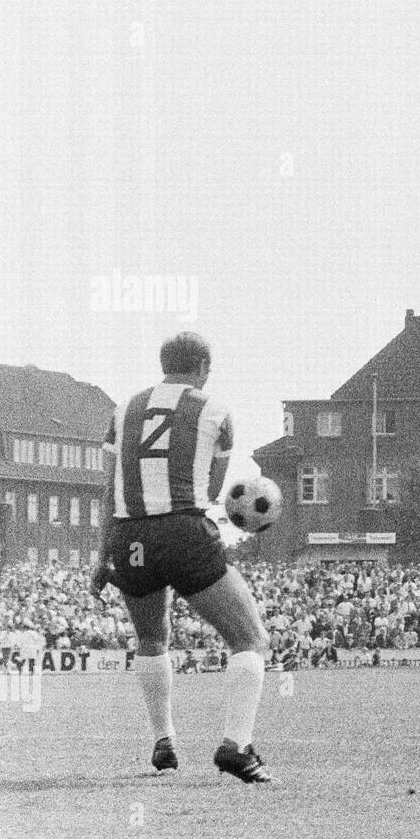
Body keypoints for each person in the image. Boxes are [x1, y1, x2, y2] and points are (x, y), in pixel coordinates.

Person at [90, 331, 272, 782]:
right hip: (183, 530)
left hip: (128, 535)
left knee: (152, 639)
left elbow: (107, 486)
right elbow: (211, 491)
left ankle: (163, 740)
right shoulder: (216, 411)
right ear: (203, 367)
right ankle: (236, 747)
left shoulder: (122, 410)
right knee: (250, 639)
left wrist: (101, 554)